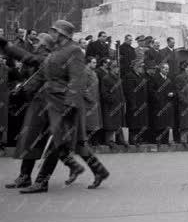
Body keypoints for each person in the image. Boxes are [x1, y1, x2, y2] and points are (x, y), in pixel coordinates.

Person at [2, 20, 110, 193]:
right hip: (45, 101)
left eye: (53, 31)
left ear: (62, 34)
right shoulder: (55, 52)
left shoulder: (74, 51)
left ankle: (42, 181)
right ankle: (26, 176)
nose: (50, 34)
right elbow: (33, 62)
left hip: (62, 103)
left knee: (59, 145)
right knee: (34, 137)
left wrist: (70, 104)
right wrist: (6, 46)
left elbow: (77, 79)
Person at [147, 62, 176, 146]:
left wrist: (173, 94)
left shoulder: (169, 78)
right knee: (159, 123)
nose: (167, 71)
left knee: (167, 123)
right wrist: (158, 98)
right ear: (161, 69)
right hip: (158, 104)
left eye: (168, 69)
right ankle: (158, 140)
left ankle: (166, 140)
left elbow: (174, 89)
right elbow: (151, 90)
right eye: (165, 69)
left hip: (168, 104)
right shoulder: (155, 78)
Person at [123, 60, 149, 146]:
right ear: (135, 67)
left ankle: (138, 138)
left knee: (140, 122)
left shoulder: (141, 76)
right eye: (140, 66)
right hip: (134, 103)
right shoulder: (130, 76)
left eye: (142, 66)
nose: (142, 68)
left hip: (142, 103)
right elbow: (129, 91)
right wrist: (132, 103)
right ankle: (132, 139)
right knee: (133, 123)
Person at [83, 57, 103, 147]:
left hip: (95, 101)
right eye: (93, 62)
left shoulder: (94, 73)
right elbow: (83, 88)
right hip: (88, 102)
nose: (95, 64)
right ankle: (86, 142)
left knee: (94, 123)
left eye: (96, 62)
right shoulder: (84, 73)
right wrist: (90, 98)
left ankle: (94, 142)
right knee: (88, 123)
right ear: (88, 63)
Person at [0, 54, 8, 155]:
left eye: (2, 58)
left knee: (2, 122)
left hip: (3, 98)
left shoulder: (7, 69)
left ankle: (1, 145)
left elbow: (18, 78)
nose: (1, 60)